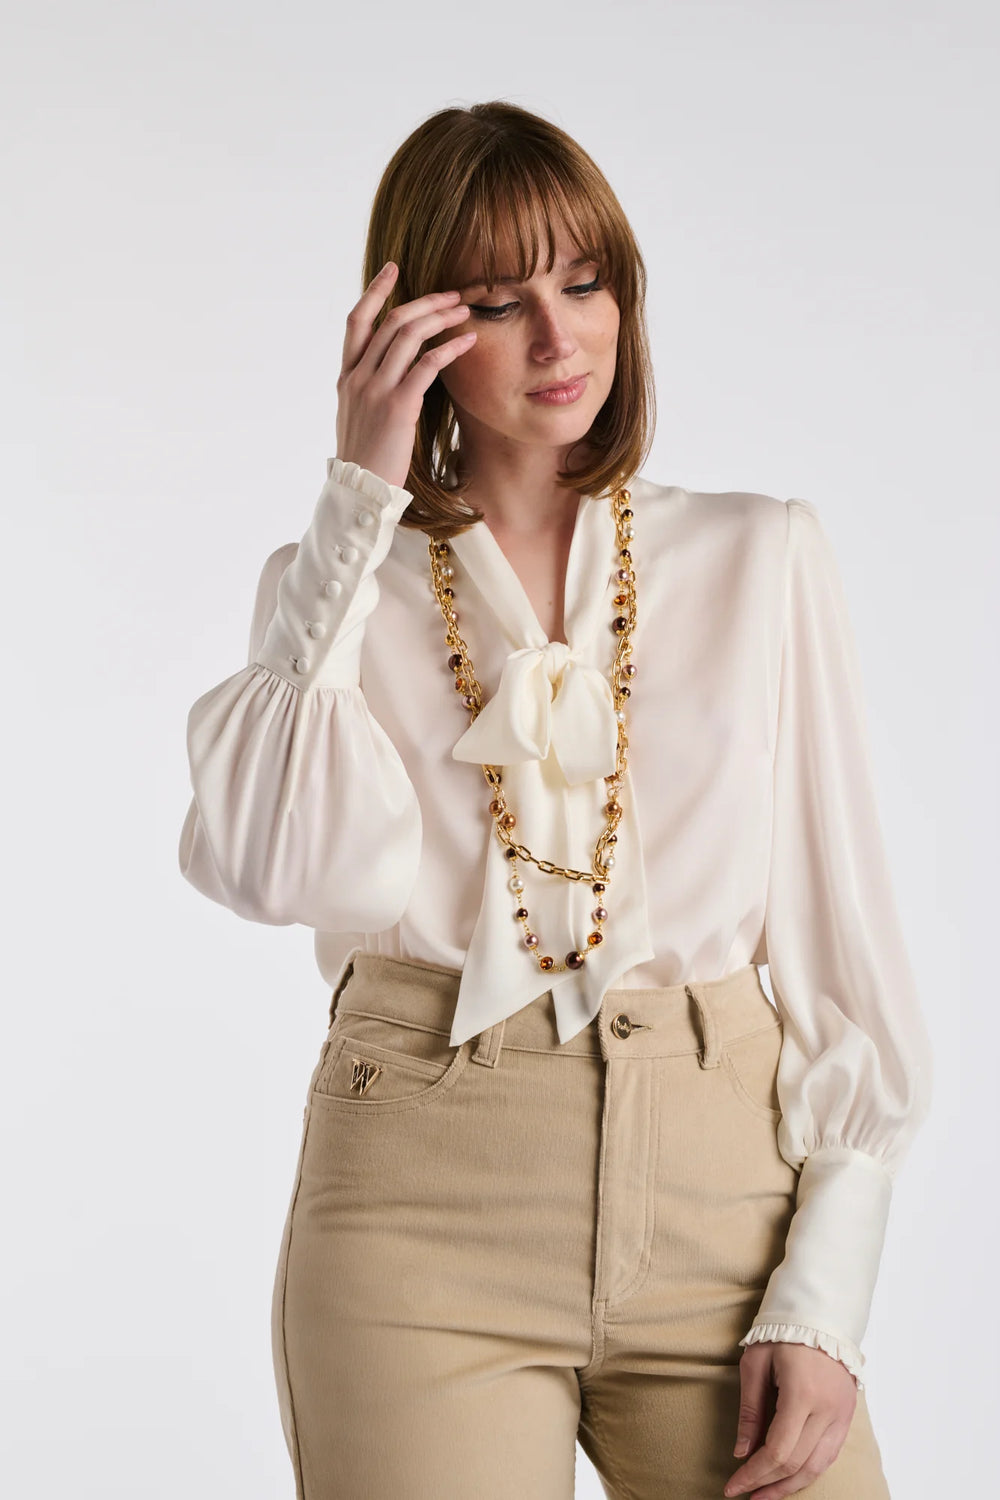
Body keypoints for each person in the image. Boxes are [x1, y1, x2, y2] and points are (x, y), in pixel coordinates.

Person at [178, 100, 933, 1499]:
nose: (559, 337)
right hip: (419, 1212)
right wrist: (357, 494)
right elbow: (276, 871)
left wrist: (825, 1294)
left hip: (724, 1200)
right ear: (413, 330)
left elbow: (848, 951)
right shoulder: (329, 593)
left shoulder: (760, 558)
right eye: (495, 302)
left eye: (585, 283)